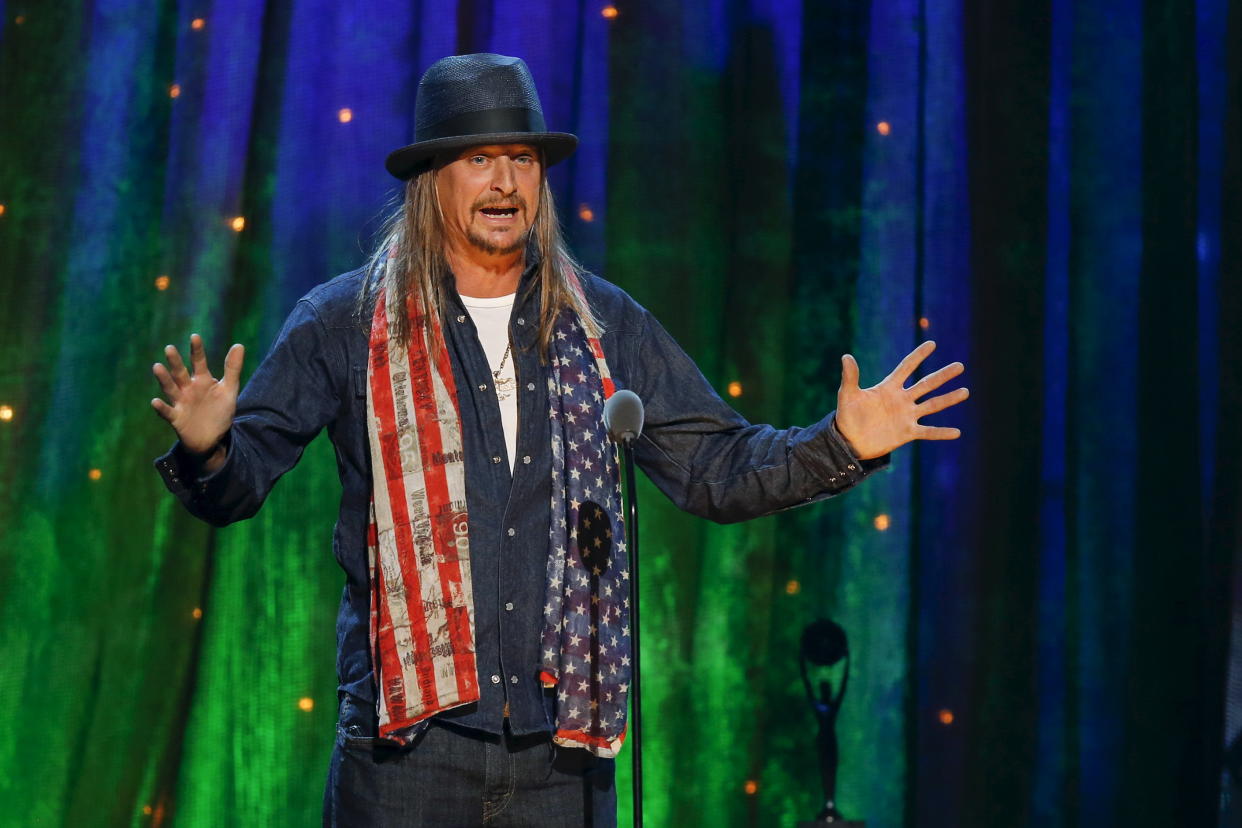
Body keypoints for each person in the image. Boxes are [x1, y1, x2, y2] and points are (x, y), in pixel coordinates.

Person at [151, 53, 968, 827]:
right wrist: (208, 449)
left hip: (561, 759)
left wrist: (842, 442)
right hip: (405, 760)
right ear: (432, 181)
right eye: (479, 159)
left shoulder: (602, 323)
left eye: (523, 159)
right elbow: (239, 482)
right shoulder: (345, 322)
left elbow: (713, 469)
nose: (505, 182)